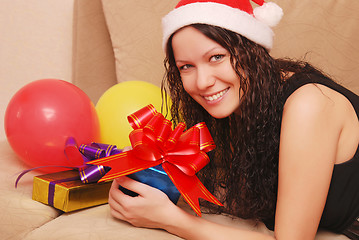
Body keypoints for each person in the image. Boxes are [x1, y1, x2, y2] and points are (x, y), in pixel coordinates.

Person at [107, 0, 359, 239]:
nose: (202, 82)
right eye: (186, 66)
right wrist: (159, 177)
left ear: (250, 49)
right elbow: (253, 195)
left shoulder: (308, 105)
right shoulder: (247, 103)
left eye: (216, 57)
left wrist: (169, 219)